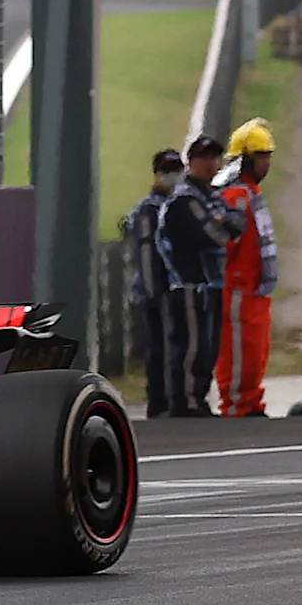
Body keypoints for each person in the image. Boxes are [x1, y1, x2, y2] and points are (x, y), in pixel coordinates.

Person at [156, 134, 238, 416]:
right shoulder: (184, 199)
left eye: (214, 158)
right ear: (191, 163)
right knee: (192, 346)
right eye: (204, 158)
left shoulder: (211, 195)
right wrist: (222, 223)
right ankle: (186, 400)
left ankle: (197, 398)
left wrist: (224, 223)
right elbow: (215, 235)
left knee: (208, 346)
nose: (211, 164)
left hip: (210, 283)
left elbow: (237, 222)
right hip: (188, 283)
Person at [216, 119, 283, 416]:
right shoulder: (235, 197)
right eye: (261, 157)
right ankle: (238, 404)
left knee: (256, 353)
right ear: (245, 159)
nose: (266, 163)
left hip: (255, 290)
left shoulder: (251, 194)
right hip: (239, 290)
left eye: (268, 156)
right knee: (239, 354)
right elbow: (224, 246)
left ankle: (251, 402)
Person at [121, 148, 183, 409]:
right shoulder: (149, 208)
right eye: (167, 171)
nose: (172, 176)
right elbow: (145, 252)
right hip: (155, 290)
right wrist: (153, 291)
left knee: (174, 347)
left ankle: (171, 397)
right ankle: (158, 401)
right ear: (157, 174)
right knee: (159, 348)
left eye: (176, 169)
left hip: (174, 287)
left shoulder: (178, 203)